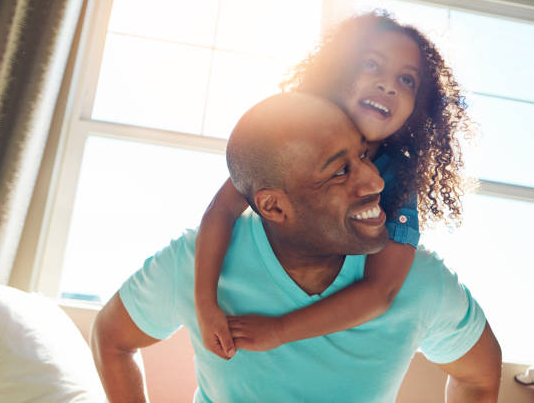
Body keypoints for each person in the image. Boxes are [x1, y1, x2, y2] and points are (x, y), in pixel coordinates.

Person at [91, 93, 501, 402]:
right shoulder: (197, 262)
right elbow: (111, 337)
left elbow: (479, 376)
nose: (376, 181)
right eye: (340, 171)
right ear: (273, 205)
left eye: (363, 156)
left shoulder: (419, 282)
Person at [195, 11, 475, 359]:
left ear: (416, 110)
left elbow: (381, 291)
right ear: (338, 71)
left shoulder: (399, 179)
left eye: (406, 80)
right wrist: (205, 306)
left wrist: (280, 330)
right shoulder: (291, 137)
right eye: (372, 65)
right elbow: (222, 209)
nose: (389, 85)